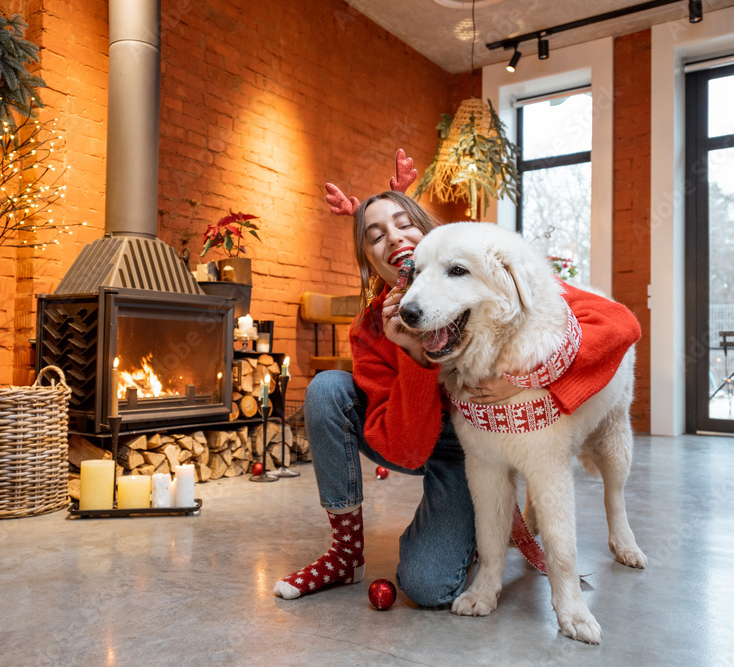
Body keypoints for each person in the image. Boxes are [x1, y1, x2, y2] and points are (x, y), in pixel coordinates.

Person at [272, 185, 641, 607]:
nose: (392, 237)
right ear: (369, 260)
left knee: (426, 585)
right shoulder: (372, 330)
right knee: (326, 388)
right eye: (375, 236)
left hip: (489, 436)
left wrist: (529, 379)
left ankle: (490, 530)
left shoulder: (487, 267)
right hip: (432, 443)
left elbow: (619, 324)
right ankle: (345, 552)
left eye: (403, 223)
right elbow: (407, 451)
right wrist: (414, 357)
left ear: (426, 233)